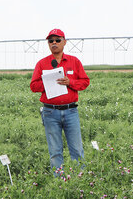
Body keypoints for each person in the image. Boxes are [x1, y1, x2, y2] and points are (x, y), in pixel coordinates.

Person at [30, 29, 90, 173]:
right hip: (50, 112)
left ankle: (79, 180)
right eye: (51, 41)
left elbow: (85, 82)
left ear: (64, 42)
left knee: (76, 149)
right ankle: (59, 182)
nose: (54, 43)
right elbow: (33, 86)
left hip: (71, 111)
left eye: (57, 40)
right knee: (55, 151)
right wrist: (47, 82)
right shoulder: (42, 64)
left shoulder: (74, 62)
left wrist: (70, 82)